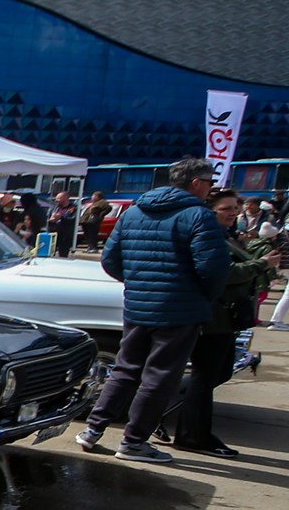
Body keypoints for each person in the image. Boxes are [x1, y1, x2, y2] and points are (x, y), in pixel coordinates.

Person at [76, 158, 230, 463]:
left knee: (125, 368)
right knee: (159, 376)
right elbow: (213, 269)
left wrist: (138, 282)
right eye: (210, 182)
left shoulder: (134, 211)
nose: (212, 188)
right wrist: (204, 298)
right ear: (196, 183)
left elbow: (110, 260)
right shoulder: (199, 215)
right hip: (179, 309)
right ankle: (133, 441)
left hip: (138, 303)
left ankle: (93, 429)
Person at [168, 187, 279, 456]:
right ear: (210, 211)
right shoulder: (208, 236)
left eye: (234, 208)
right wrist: (261, 264)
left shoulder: (227, 235)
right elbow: (223, 274)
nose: (233, 213)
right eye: (225, 208)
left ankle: (173, 417)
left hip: (228, 317)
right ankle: (191, 434)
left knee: (219, 372)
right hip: (213, 316)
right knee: (205, 376)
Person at [45, 190, 78, 255]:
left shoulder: (72, 208)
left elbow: (73, 219)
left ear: (66, 198)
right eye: (56, 198)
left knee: (63, 253)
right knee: (50, 253)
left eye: (59, 198)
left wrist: (61, 217)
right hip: (53, 232)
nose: (56, 200)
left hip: (65, 235)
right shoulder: (55, 207)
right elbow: (47, 217)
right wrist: (50, 220)